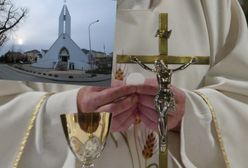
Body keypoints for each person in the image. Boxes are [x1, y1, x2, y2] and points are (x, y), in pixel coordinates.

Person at [0, 0, 247, 168]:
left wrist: (194, 116)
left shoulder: (215, 5)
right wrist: (66, 114)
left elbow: (241, 92)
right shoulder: (21, 5)